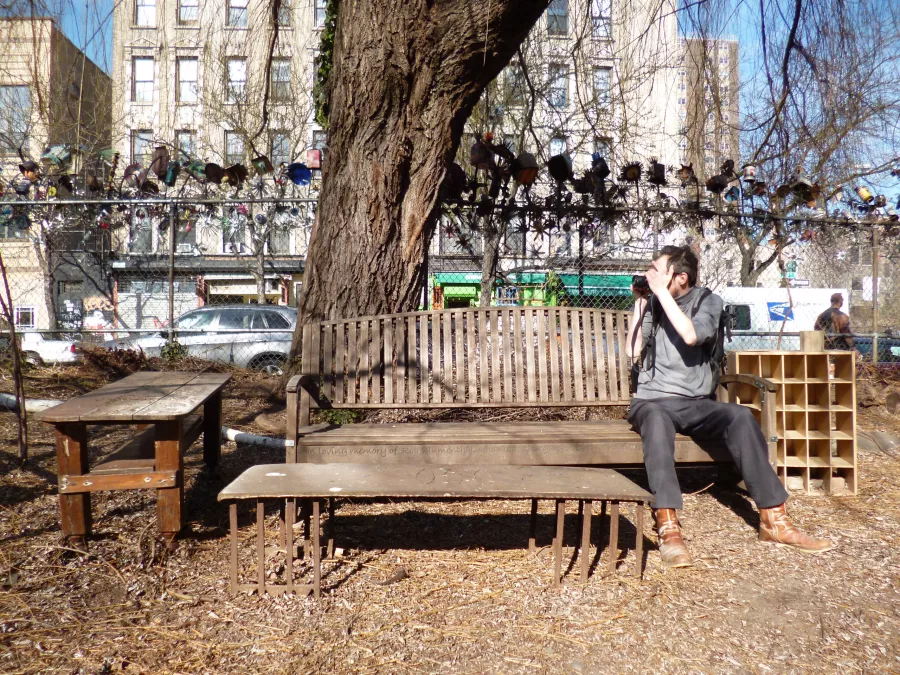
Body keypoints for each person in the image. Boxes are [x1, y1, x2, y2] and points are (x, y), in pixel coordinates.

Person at [625, 245, 832, 568]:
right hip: (651, 401)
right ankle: (668, 527)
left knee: (739, 416)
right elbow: (632, 351)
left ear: (680, 277)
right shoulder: (653, 302)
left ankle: (773, 521)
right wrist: (641, 303)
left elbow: (692, 336)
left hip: (695, 403)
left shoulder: (709, 302)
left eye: (657, 270)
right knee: (654, 418)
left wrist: (660, 297)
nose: (650, 275)